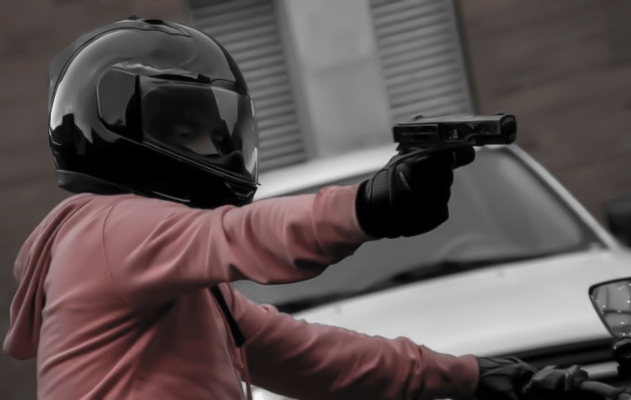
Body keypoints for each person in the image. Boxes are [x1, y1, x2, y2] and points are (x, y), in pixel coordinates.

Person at [3, 16, 537, 400]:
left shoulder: (188, 291)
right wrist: (370, 205)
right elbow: (242, 235)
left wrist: (479, 376)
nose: (220, 149)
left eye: (221, 131)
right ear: (116, 128)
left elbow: (321, 360)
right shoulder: (106, 231)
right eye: (189, 131)